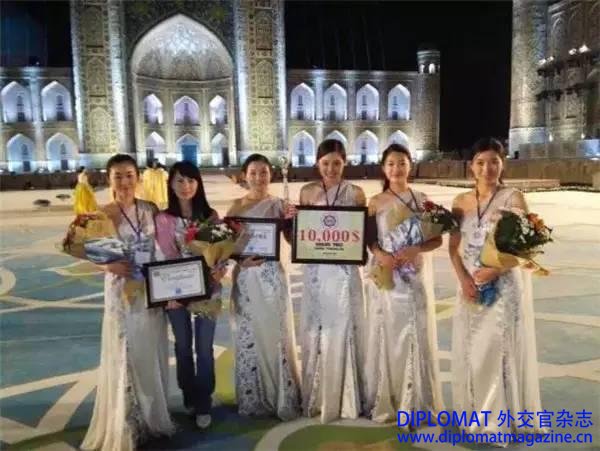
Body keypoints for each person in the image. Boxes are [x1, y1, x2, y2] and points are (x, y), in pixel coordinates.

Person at [449, 137, 544, 435]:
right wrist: (464, 280)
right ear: (471, 167)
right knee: (473, 348)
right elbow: (453, 249)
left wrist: (496, 269)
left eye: (493, 161)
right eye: (480, 162)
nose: (487, 168)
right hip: (470, 286)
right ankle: (475, 413)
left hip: (503, 288)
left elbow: (526, 249)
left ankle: (501, 420)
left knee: (499, 348)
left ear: (503, 164)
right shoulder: (460, 202)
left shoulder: (513, 198)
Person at [81, 154, 173, 451]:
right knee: (125, 349)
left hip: (148, 289)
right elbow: (93, 253)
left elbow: (162, 247)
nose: (124, 182)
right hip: (121, 290)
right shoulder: (101, 214)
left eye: (129, 175)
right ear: (109, 180)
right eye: (118, 176)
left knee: (149, 347)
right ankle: (127, 421)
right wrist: (107, 266)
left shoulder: (149, 209)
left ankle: (152, 416)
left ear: (138, 178)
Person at [363, 144, 443, 423]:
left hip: (413, 276)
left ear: (410, 165)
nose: (396, 169)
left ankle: (416, 399)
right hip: (387, 277)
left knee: (414, 332)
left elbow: (437, 239)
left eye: (401, 163)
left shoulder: (422, 201)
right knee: (387, 332)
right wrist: (381, 255)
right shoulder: (375, 202)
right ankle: (388, 397)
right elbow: (370, 240)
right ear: (383, 168)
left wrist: (416, 249)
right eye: (391, 164)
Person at [297, 139, 367, 423]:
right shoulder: (307, 191)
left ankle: (347, 394)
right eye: (325, 163)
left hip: (345, 271)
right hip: (316, 271)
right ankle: (318, 394)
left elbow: (362, 233)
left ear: (344, 163)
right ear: (317, 164)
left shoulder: (356, 193)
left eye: (337, 163)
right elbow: (300, 234)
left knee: (344, 325)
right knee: (318, 326)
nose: (331, 169)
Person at [226, 153, 300, 420]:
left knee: (275, 333)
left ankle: (281, 393)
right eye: (253, 172)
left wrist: (293, 221)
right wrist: (239, 260)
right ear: (244, 176)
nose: (259, 178)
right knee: (249, 333)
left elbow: (293, 242)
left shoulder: (280, 205)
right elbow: (226, 247)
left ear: (271, 175)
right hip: (246, 277)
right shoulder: (235, 207)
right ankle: (253, 396)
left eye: (264, 172)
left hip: (271, 276)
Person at [154, 161, 225, 429]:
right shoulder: (163, 219)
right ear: (171, 184)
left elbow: (220, 252)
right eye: (180, 181)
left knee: (204, 349)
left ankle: (204, 400)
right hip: (176, 293)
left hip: (208, 290)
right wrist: (167, 291)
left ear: (199, 183)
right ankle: (189, 396)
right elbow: (166, 256)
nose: (186, 186)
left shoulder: (210, 216)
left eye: (191, 180)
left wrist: (220, 269)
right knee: (183, 347)